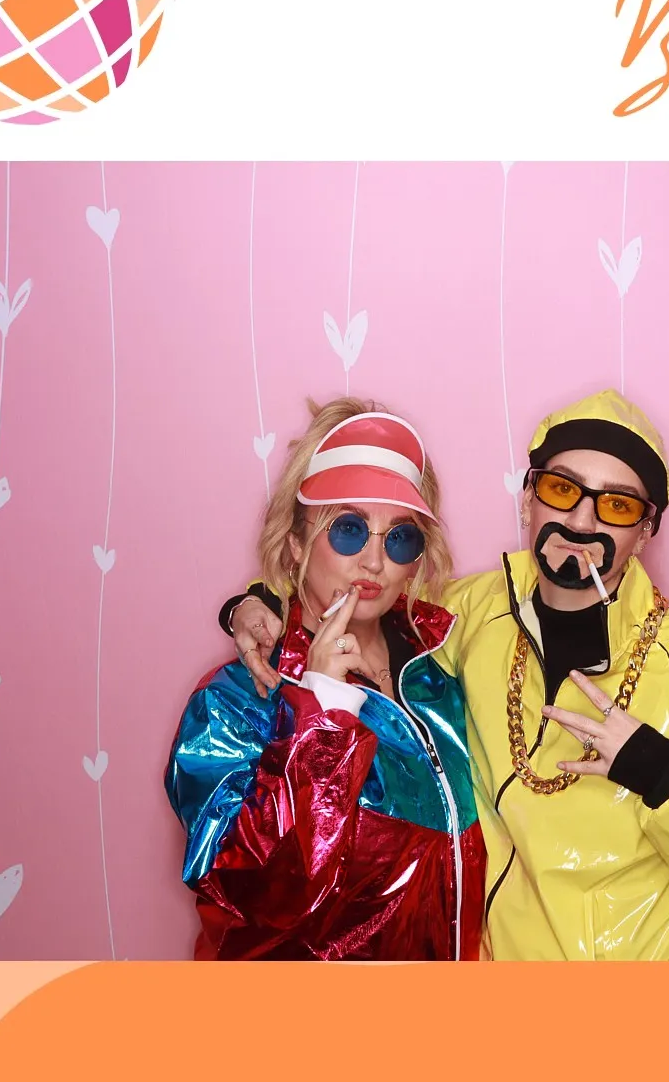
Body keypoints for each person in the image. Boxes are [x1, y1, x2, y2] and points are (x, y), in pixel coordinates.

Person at [224, 389, 669, 960]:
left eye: (617, 505)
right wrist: (261, 602)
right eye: (562, 489)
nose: (582, 521)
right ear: (528, 497)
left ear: (646, 531)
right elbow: (364, 584)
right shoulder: (465, 617)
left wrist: (661, 773)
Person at [165, 399, 486, 960]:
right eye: (348, 529)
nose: (373, 560)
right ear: (295, 542)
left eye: (400, 538)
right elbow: (256, 893)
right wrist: (324, 711)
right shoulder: (236, 701)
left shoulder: (442, 673)